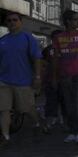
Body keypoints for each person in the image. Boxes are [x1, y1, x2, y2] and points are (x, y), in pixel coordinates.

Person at [52, 10, 78, 144]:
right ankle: (72, 131)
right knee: (68, 105)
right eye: (75, 19)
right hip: (65, 76)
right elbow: (55, 59)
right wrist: (54, 77)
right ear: (68, 21)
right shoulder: (58, 38)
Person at [0, 12, 43, 147]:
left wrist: (37, 76)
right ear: (6, 23)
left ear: (20, 22)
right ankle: (5, 137)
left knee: (27, 109)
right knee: (4, 109)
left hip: (23, 81)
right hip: (3, 81)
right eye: (9, 20)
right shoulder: (2, 40)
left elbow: (37, 58)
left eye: (15, 20)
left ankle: (37, 123)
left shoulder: (27, 38)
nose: (12, 22)